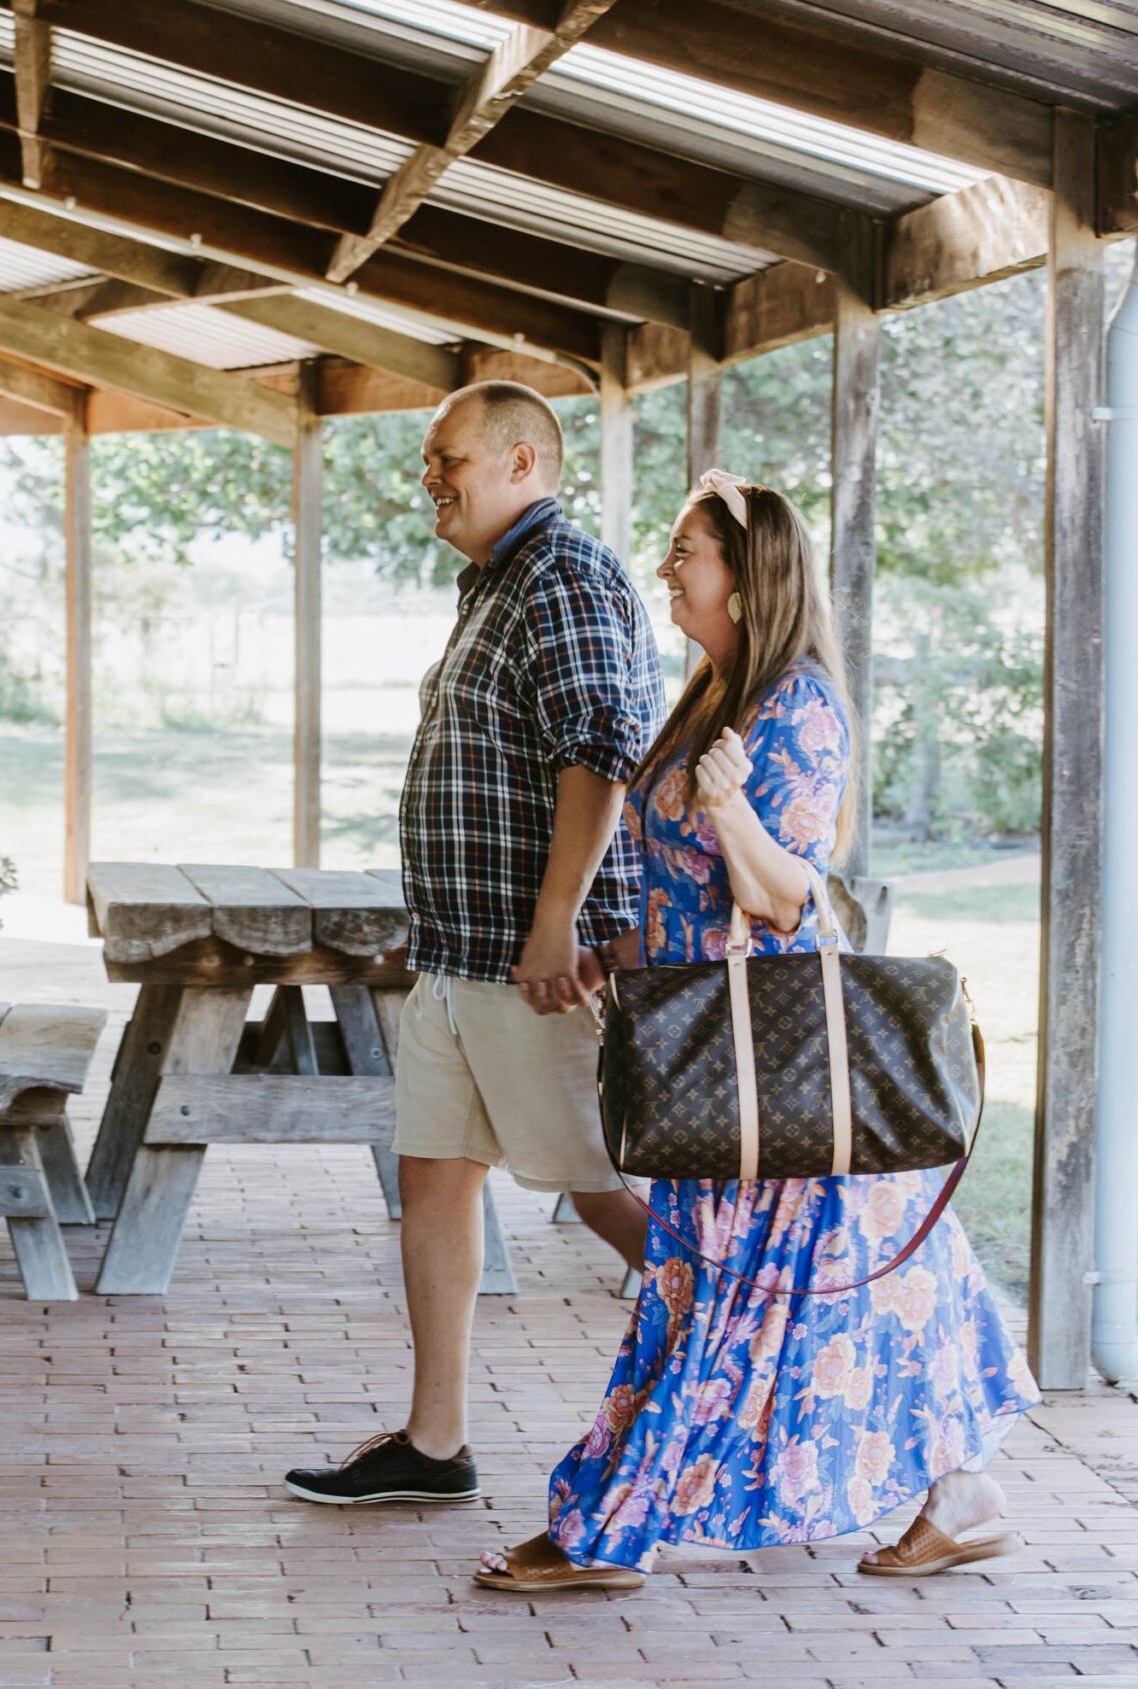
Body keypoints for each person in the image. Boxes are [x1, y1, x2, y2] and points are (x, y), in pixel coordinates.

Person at [472, 471, 1038, 1590]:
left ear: (749, 574)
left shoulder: (798, 709)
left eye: (688, 550)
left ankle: (610, 1526)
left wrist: (728, 806)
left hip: (772, 1058)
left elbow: (785, 897)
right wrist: (616, 951)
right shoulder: (711, 692)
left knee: (752, 1286)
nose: (669, 567)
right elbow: (678, 883)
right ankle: (963, 1491)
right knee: (870, 1273)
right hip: (710, 1048)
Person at [284, 381, 665, 1507]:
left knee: (595, 1189)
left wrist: (556, 924)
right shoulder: (497, 582)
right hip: (457, 953)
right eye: (425, 461)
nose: (429, 479)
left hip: (528, 962)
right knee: (435, 1179)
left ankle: (783, 1346)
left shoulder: (567, 575)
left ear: (521, 461)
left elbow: (599, 754)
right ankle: (435, 1442)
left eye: (446, 457)